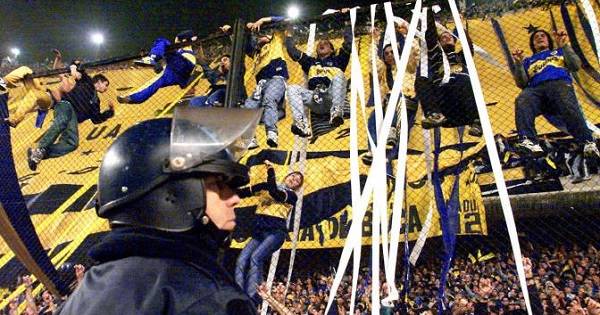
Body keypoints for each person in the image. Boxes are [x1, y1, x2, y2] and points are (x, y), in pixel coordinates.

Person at [54, 107, 262, 315]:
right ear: (172, 193)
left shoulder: (80, 298)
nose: (234, 198)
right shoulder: (207, 299)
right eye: (217, 185)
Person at [511, 29, 600, 158]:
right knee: (522, 98)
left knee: (569, 107)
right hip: (536, 90)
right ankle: (528, 141)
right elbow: (521, 83)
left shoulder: (559, 52)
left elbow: (575, 65)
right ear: (532, 44)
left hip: (558, 84)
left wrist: (564, 45)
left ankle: (587, 142)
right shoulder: (528, 61)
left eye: (543, 36)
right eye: (536, 37)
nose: (540, 38)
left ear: (549, 40)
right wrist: (518, 64)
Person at [27, 51, 114, 171]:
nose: (106, 88)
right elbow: (76, 63)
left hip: (73, 119)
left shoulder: (96, 102)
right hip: (66, 105)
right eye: (105, 85)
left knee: (72, 144)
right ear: (98, 82)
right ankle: (40, 149)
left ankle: (37, 154)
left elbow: (95, 119)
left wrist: (109, 113)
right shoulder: (87, 82)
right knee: (61, 122)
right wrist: (73, 69)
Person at [235, 160, 304, 304]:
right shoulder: (265, 186)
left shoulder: (291, 196)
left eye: (297, 180)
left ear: (297, 187)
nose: (294, 179)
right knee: (241, 259)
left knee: (255, 258)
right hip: (260, 232)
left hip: (275, 233)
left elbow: (275, 193)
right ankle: (238, 293)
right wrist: (226, 185)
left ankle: (253, 298)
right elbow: (243, 193)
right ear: (286, 177)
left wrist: (271, 170)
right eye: (293, 176)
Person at [285, 13, 352, 137]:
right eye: (320, 43)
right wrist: (289, 34)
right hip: (315, 99)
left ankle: (337, 112)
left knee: (339, 77)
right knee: (292, 88)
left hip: (331, 96)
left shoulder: (339, 60)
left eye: (326, 43)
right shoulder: (310, 62)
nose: (322, 43)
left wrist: (347, 21)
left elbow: (348, 44)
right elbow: (293, 52)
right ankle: (301, 124)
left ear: (331, 49)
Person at [419, 9, 482, 137]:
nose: (446, 36)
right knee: (421, 80)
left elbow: (468, 45)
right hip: (445, 106)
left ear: (455, 41)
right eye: (443, 37)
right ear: (439, 43)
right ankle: (434, 114)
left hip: (464, 106)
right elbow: (430, 35)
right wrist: (428, 9)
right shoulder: (437, 56)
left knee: (464, 79)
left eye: (449, 36)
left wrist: (460, 25)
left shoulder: (462, 58)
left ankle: (477, 122)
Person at [363, 23, 419, 165]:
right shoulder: (384, 72)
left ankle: (393, 139)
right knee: (373, 117)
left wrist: (406, 35)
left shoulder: (408, 66)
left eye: (392, 52)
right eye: (386, 53)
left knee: (404, 128)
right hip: (388, 105)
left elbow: (413, 52)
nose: (389, 55)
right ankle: (373, 150)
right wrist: (374, 41)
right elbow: (372, 62)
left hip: (406, 100)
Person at [243, 16, 289, 149]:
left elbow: (285, 19)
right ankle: (250, 138)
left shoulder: (275, 42)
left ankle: (272, 132)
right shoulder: (256, 54)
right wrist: (248, 28)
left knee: (269, 98)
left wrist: (263, 20)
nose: (260, 37)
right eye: (258, 35)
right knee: (247, 107)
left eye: (263, 34)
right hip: (261, 84)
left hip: (276, 78)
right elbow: (246, 45)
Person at [117, 30, 197, 104]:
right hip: (179, 73)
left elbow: (183, 38)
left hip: (184, 64)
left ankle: (152, 58)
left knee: (162, 41)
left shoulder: (184, 46)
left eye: (178, 40)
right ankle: (132, 98)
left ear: (183, 40)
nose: (175, 41)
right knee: (156, 82)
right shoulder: (181, 49)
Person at [2, 59, 79, 128]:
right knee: (25, 69)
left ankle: (15, 119)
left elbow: (67, 88)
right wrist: (58, 58)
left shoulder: (73, 82)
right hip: (44, 90)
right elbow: (57, 68)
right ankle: (4, 82)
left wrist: (72, 73)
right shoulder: (65, 75)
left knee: (34, 93)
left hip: (50, 100)